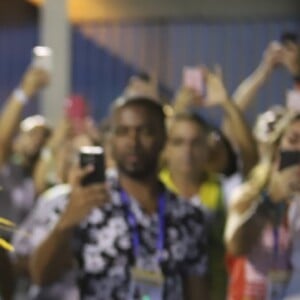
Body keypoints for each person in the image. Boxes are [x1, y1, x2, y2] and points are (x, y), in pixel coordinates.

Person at [30, 95, 209, 300]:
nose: (133, 142)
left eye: (145, 131)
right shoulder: (86, 202)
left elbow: (197, 290)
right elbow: (40, 275)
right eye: (123, 132)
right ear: (111, 140)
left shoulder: (188, 215)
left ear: (163, 139)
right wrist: (66, 223)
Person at [225, 111, 300, 299]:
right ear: (277, 148)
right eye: (293, 140)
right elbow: (236, 246)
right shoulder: (249, 194)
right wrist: (271, 199)